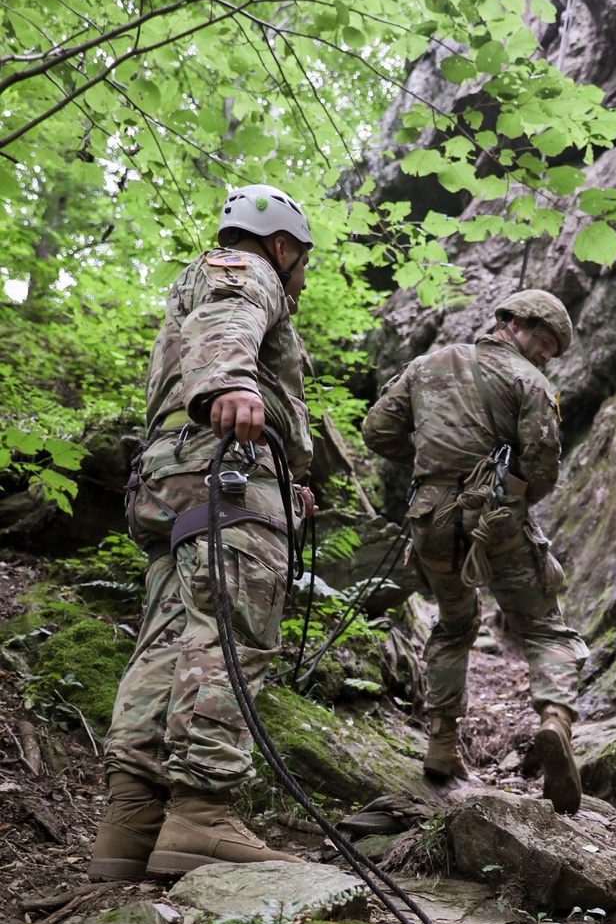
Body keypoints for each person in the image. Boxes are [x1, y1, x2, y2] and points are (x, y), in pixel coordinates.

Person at [88, 184, 315, 880]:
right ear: (281, 246)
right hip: (224, 470)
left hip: (172, 476)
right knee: (230, 627)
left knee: (167, 637)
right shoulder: (247, 273)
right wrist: (231, 387)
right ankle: (201, 813)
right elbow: (230, 319)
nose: (300, 276)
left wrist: (287, 474)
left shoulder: (194, 281)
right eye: (301, 261)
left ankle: (131, 821)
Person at [362, 289, 588, 814]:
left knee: (454, 622)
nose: (544, 354)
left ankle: (441, 743)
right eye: (543, 340)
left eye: (552, 350)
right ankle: (555, 720)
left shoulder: (426, 365)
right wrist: (507, 495)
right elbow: (544, 467)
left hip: (429, 516)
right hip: (496, 515)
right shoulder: (532, 384)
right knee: (543, 626)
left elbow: (377, 431)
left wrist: (430, 461)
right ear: (513, 322)